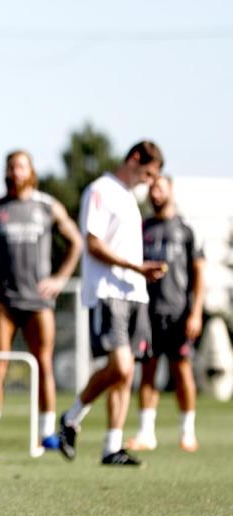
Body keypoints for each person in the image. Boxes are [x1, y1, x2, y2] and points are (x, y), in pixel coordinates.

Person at [0, 151, 81, 453]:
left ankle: (47, 432)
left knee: (44, 365)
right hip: (3, 300)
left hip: (38, 301)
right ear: (6, 171)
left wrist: (60, 279)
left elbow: (76, 242)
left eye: (21, 166)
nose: (16, 171)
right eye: (12, 166)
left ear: (31, 170)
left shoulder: (47, 206)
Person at [58, 141, 167, 466]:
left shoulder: (130, 198)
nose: (150, 181)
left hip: (135, 293)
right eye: (148, 173)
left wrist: (141, 271)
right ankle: (71, 417)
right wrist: (136, 267)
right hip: (108, 291)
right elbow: (92, 243)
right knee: (119, 366)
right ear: (134, 159)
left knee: (126, 373)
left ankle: (112, 447)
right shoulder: (100, 190)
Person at [127, 175, 204, 453]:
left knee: (181, 369)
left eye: (160, 188)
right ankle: (147, 433)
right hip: (147, 312)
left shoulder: (185, 229)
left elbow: (199, 274)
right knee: (147, 370)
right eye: (151, 189)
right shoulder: (142, 227)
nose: (155, 193)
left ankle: (187, 432)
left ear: (170, 190)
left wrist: (195, 312)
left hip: (178, 314)